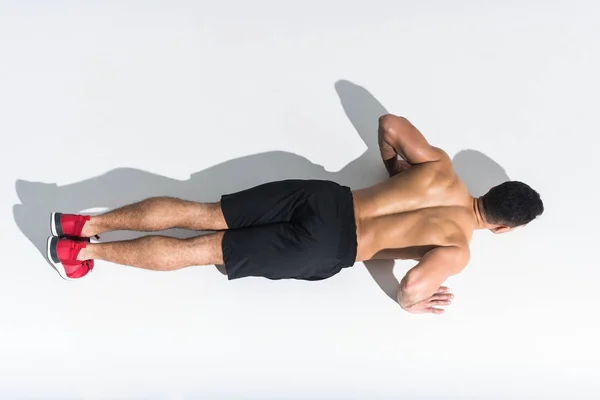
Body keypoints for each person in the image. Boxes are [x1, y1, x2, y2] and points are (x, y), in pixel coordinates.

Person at [47, 114, 543, 314]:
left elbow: (389, 123)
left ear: (491, 188)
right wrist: (409, 303)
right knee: (201, 251)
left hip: (326, 199)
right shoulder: (459, 248)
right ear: (502, 226)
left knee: (202, 212)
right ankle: (80, 253)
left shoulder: (440, 167)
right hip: (330, 247)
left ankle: (83, 224)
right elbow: (413, 285)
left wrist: (395, 169)